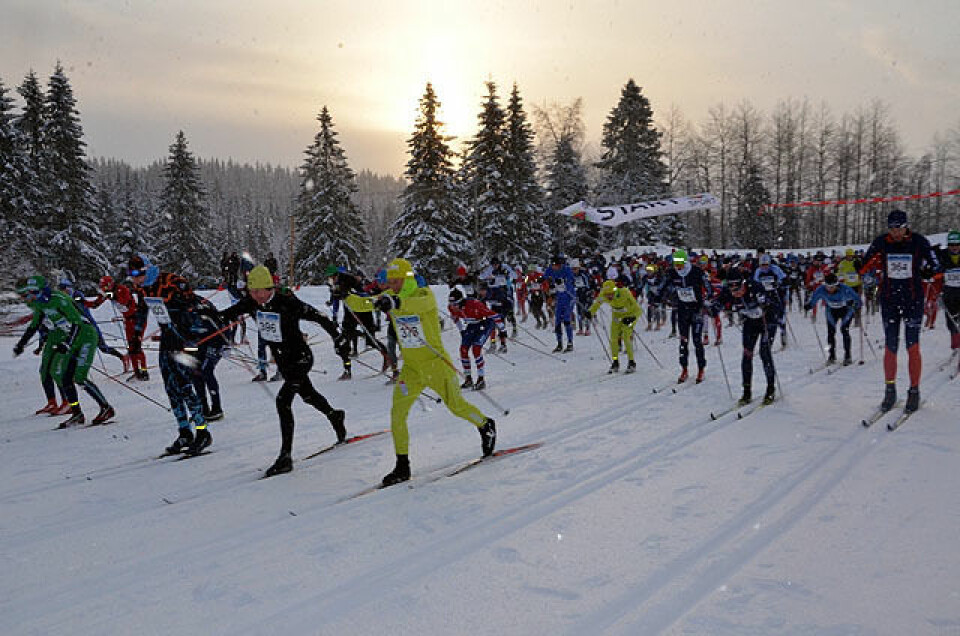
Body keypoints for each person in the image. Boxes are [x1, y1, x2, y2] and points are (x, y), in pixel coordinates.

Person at [347, 258, 496, 487]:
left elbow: (413, 305)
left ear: (407, 279)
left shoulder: (424, 295)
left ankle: (485, 424)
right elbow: (365, 303)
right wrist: (346, 296)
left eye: (396, 281)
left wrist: (394, 302)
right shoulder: (389, 296)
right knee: (397, 414)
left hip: (436, 366)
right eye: (390, 282)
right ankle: (402, 465)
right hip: (412, 369)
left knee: (457, 407)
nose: (392, 285)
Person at [211, 265, 348, 476]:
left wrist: (338, 338)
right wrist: (206, 314)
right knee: (309, 396)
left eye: (260, 291)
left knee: (283, 401)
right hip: (284, 362)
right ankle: (335, 415)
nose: (256, 296)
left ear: (270, 288)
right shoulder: (251, 302)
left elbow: (318, 316)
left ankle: (285, 457)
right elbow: (226, 315)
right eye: (252, 292)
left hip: (301, 358)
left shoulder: (287, 302)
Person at [859, 209, 941, 413]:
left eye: (899, 228)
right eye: (892, 228)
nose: (895, 232)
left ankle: (914, 390)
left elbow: (937, 265)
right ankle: (890, 390)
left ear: (906, 227)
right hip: (889, 301)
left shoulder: (918, 241)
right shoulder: (881, 242)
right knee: (891, 346)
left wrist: (930, 270)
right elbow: (864, 264)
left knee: (912, 346)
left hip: (912, 301)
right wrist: (862, 267)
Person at [129, 255, 212, 456]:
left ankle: (202, 431)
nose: (134, 279)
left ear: (147, 270)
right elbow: (142, 312)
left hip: (184, 337)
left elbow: (194, 308)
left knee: (184, 384)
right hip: (168, 338)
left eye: (138, 274)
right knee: (170, 386)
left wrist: (192, 337)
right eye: (131, 275)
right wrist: (136, 336)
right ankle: (184, 431)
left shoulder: (172, 282)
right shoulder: (143, 288)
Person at [13, 276, 115, 427]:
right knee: (66, 378)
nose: (31, 297)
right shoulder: (39, 304)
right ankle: (77, 413)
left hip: (85, 335)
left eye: (34, 292)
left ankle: (106, 408)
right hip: (71, 337)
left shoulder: (59, 299)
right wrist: (21, 344)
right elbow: (34, 325)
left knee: (80, 377)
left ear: (43, 290)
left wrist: (67, 344)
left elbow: (76, 323)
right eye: (29, 293)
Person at [712, 269, 782, 405]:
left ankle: (770, 389)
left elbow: (774, 305)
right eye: (732, 289)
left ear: (742, 283)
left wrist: (766, 303)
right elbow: (718, 303)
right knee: (747, 355)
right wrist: (713, 308)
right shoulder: (728, 291)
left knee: (764, 353)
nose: (735, 293)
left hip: (767, 322)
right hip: (750, 322)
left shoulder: (754, 287)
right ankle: (746, 392)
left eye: (737, 289)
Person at [90, 275, 149, 380]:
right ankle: (137, 372)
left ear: (110, 284)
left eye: (105, 287)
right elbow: (95, 304)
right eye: (102, 287)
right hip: (128, 321)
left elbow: (124, 301)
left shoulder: (122, 289)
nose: (104, 289)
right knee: (131, 348)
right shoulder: (108, 293)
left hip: (137, 319)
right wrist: (81, 302)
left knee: (136, 346)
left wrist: (113, 296)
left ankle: (144, 371)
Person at [664, 249, 709, 384]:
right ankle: (684, 369)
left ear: (686, 261)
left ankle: (701, 368)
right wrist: (662, 297)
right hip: (683, 310)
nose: (678, 266)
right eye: (675, 263)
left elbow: (708, 286)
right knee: (683, 341)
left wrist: (709, 299)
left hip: (696, 309)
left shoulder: (696, 271)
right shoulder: (672, 273)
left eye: (680, 263)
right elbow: (664, 286)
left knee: (697, 341)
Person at [447, 286, 501, 390]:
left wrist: (503, 330)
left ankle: (481, 379)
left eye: (455, 304)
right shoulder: (451, 307)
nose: (453, 307)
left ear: (461, 302)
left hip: (485, 324)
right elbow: (456, 319)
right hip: (472, 326)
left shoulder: (474, 304)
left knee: (476, 349)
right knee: (463, 350)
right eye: (451, 304)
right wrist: (462, 331)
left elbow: (494, 315)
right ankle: (468, 378)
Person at [805, 273, 862, 365]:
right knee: (830, 333)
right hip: (831, 311)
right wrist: (809, 305)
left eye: (832, 287)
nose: (830, 289)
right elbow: (814, 300)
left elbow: (858, 301)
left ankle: (847, 356)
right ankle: (832, 356)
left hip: (846, 310)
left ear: (837, 285)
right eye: (827, 286)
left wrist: (854, 304)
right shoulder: (821, 289)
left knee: (844, 330)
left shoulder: (845, 289)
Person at [589, 279, 642, 373]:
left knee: (625, 336)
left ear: (615, 290)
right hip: (617, 317)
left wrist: (632, 318)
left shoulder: (624, 292)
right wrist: (590, 312)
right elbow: (596, 304)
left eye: (611, 294)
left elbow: (638, 309)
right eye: (607, 294)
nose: (609, 296)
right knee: (613, 339)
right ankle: (615, 361)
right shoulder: (603, 294)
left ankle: (631, 362)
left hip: (630, 316)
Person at [543, 255, 576, 352]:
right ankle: (559, 343)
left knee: (566, 319)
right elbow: (545, 275)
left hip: (569, 297)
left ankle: (570, 343)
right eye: (552, 265)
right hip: (560, 298)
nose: (553, 267)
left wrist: (562, 281)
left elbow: (570, 280)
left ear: (559, 264)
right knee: (557, 321)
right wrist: (541, 279)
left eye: (555, 265)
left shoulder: (566, 269)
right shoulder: (551, 269)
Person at [937, 230, 960, 351]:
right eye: (951, 245)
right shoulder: (942, 255)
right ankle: (956, 345)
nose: (954, 247)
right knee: (951, 321)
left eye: (957, 244)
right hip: (949, 294)